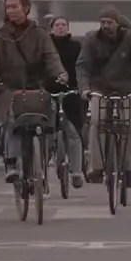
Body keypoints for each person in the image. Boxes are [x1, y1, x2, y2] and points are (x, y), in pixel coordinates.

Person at [0, 0, 68, 183]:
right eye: (8, 7)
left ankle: (43, 158)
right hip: (8, 89)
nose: (11, 10)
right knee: (11, 120)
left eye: (15, 6)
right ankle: (11, 162)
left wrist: (60, 74)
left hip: (36, 88)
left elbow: (51, 57)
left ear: (26, 8)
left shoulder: (40, 35)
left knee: (48, 120)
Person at [78, 6, 131, 189]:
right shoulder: (91, 39)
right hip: (100, 88)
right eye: (103, 22)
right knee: (97, 123)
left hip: (127, 88)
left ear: (118, 23)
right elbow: (83, 66)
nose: (106, 26)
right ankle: (96, 167)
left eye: (109, 22)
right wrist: (85, 89)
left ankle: (129, 168)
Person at [49, 16, 85, 189]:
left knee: (73, 132)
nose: (61, 27)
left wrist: (82, 87)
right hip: (49, 93)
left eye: (64, 25)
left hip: (72, 93)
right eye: (57, 25)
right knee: (47, 132)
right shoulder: (46, 47)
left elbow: (82, 68)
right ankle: (42, 167)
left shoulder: (76, 47)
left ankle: (77, 171)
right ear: (51, 29)